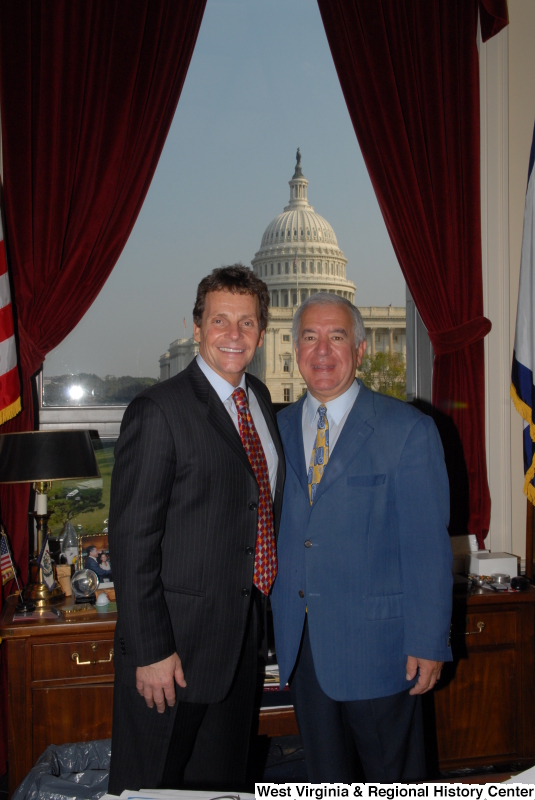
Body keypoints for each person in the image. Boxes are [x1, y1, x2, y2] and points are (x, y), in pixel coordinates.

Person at [108, 265, 285, 793]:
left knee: (221, 785)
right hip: (173, 653)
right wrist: (151, 650)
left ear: (261, 330)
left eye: (247, 323)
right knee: (154, 786)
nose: (234, 335)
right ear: (197, 327)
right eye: (220, 321)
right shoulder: (159, 410)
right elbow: (132, 542)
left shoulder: (258, 397)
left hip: (240, 642)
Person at [270, 292, 452, 783]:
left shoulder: (408, 429)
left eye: (337, 336)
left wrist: (429, 641)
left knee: (392, 780)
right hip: (303, 649)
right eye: (310, 337)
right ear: (295, 346)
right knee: (326, 781)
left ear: (361, 348)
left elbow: (427, 550)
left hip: (383, 648)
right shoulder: (276, 430)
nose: (322, 350)